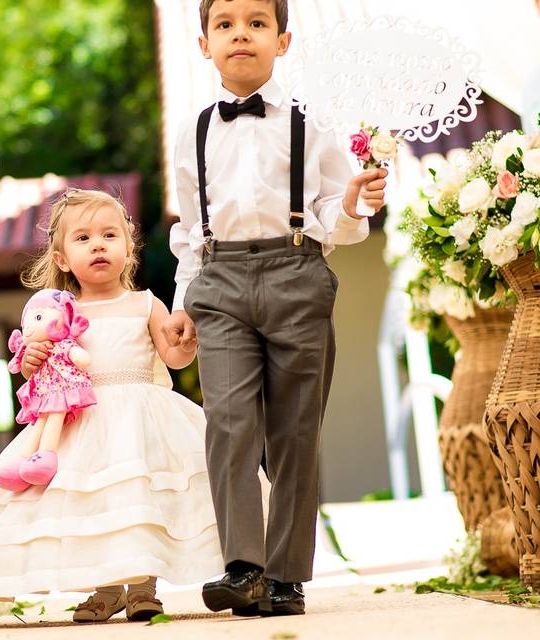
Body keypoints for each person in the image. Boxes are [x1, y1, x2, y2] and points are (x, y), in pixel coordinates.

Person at [0, 188, 268, 622]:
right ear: (61, 259)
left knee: (141, 497)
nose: (98, 245)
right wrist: (33, 360)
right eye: (83, 239)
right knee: (96, 505)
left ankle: (143, 588)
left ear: (128, 247)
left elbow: (171, 357)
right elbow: (42, 369)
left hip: (143, 417)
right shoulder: (58, 311)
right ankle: (107, 587)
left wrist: (186, 344)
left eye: (109, 235)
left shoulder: (144, 303)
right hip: (84, 418)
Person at [162, 0, 387, 617]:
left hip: (296, 271)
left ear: (282, 42)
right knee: (228, 422)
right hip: (220, 279)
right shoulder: (192, 131)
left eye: (257, 23)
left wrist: (352, 202)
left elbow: (341, 227)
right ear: (203, 44)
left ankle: (286, 575)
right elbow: (187, 228)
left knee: (294, 429)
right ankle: (243, 566)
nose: (242, 34)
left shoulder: (312, 125)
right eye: (225, 24)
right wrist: (184, 301)